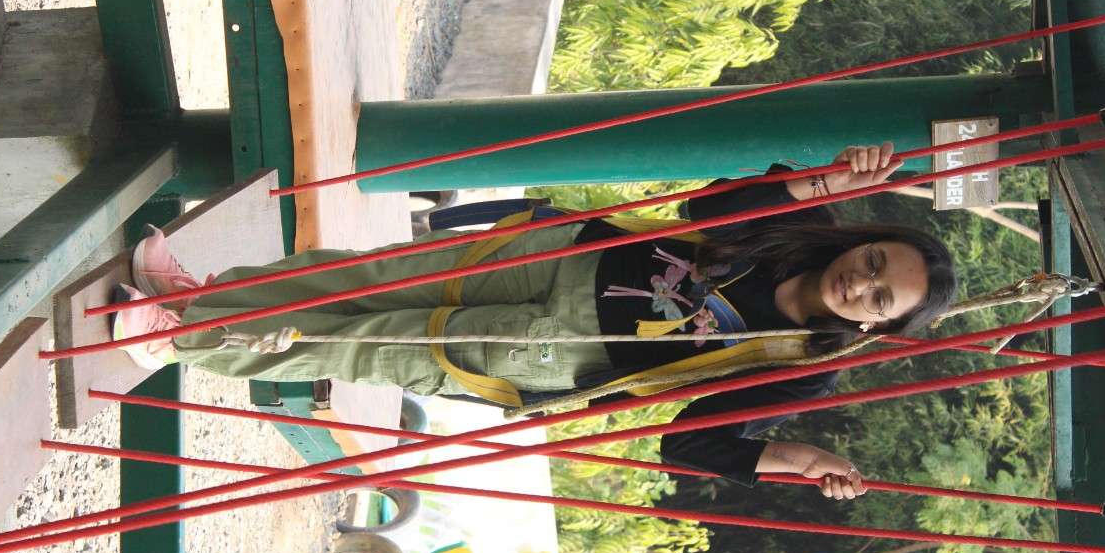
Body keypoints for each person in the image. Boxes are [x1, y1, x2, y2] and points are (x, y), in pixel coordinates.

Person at [112, 143, 956, 500]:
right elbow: (712, 207)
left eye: (881, 299)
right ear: (867, 239)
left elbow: (690, 443)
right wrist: (821, 183)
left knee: (364, 344)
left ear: (881, 329)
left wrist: (801, 459)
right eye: (876, 260)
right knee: (352, 277)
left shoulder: (803, 362)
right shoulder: (787, 238)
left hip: (559, 351)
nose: (862, 282)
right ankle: (201, 304)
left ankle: (177, 340)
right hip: (559, 257)